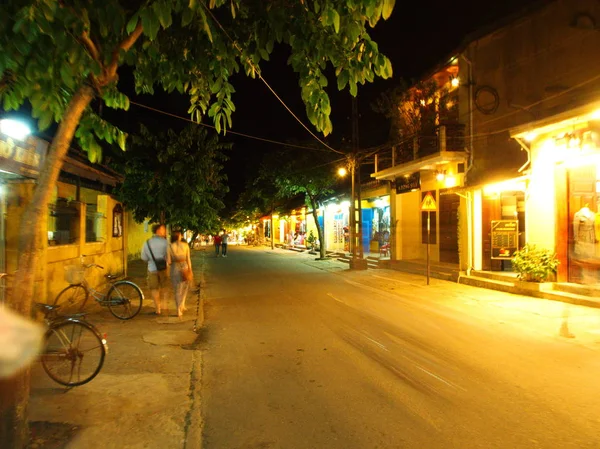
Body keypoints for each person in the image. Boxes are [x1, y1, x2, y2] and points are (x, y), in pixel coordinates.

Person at [141, 224, 170, 315]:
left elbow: (143, 257)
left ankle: (158, 309)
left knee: (154, 288)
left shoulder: (147, 243)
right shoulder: (166, 243)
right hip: (164, 268)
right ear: (158, 230)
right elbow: (169, 257)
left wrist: (151, 261)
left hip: (151, 269)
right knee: (164, 286)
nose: (165, 231)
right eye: (163, 229)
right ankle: (164, 305)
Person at [170, 230, 192, 318]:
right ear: (180, 236)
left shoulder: (170, 246)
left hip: (174, 267)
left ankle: (178, 310)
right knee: (185, 286)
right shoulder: (186, 245)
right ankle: (182, 304)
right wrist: (190, 269)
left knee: (177, 290)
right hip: (185, 267)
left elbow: (168, 261)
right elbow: (188, 259)